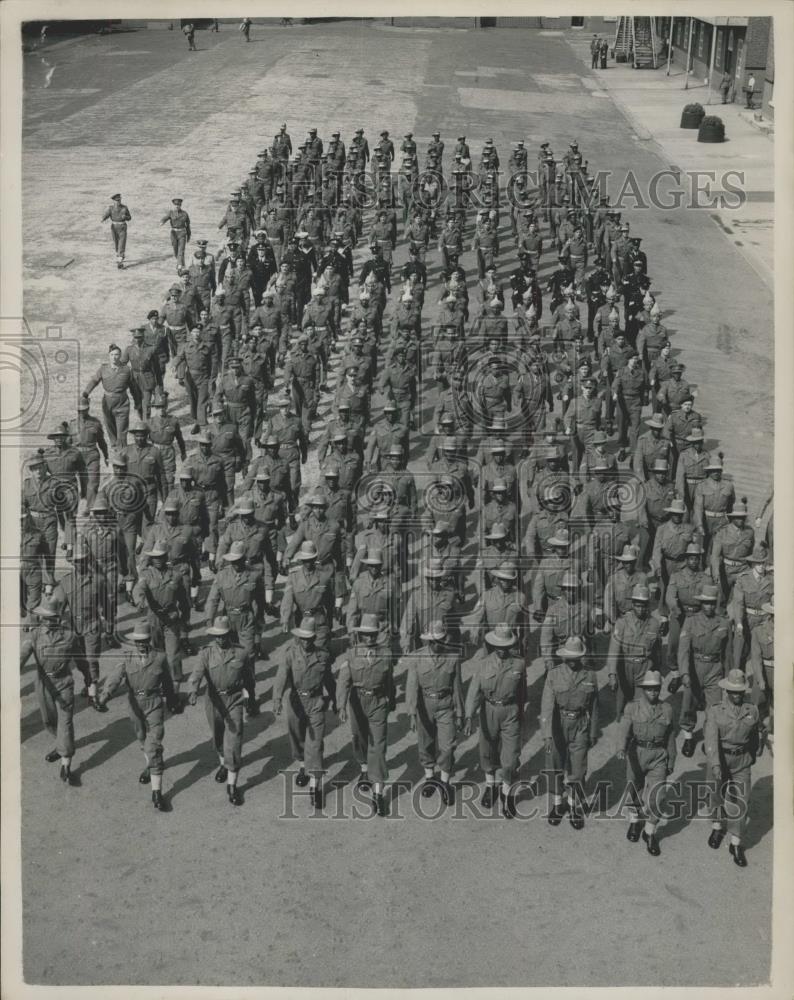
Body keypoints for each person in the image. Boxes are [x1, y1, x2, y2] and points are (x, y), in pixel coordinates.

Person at [97, 621, 178, 810]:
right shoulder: (127, 658)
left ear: (150, 640)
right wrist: (104, 696)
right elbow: (115, 678)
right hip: (134, 705)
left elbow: (167, 681)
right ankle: (150, 765)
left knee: (153, 744)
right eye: (138, 641)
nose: (141, 644)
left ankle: (157, 793)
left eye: (145, 641)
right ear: (134, 642)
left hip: (154, 703)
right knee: (142, 738)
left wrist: (173, 701)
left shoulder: (159, 657)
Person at [187, 616, 254, 806]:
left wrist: (251, 697)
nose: (220, 639)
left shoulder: (241, 653)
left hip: (235, 699)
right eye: (217, 636)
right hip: (214, 700)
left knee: (234, 739)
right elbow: (196, 674)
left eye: (223, 636)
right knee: (218, 737)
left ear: (229, 635)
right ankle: (223, 762)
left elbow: (248, 677)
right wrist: (193, 691)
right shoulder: (206, 653)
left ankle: (232, 785)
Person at [464, 624, 527, 819]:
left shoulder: (519, 664)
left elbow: (522, 691)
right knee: (487, 752)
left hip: (510, 712)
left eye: (506, 645)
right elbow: (475, 690)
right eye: (498, 645)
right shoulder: (483, 663)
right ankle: (491, 787)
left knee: (509, 759)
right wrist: (469, 716)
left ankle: (507, 795)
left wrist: (521, 712)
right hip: (489, 709)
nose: (502, 649)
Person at [272, 615, 335, 809]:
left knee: (315, 744)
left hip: (316, 702)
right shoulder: (290, 653)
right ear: (298, 637)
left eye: (310, 638)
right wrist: (277, 698)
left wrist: (335, 700)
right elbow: (282, 675)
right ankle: (301, 765)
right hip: (296, 701)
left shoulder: (323, 656)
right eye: (303, 638)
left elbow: (329, 680)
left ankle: (315, 787)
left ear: (314, 638)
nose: (306, 641)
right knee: (297, 735)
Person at [336, 614, 396, 817]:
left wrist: (392, 699)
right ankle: (363, 768)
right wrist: (341, 705)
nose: (369, 638)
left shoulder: (386, 654)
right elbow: (344, 680)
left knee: (378, 745)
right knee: (359, 737)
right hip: (357, 701)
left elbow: (389, 680)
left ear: (377, 634)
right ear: (360, 635)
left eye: (373, 634)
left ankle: (378, 793)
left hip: (378, 702)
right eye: (366, 635)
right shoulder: (352, 654)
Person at [704, 669, 762, 867]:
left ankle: (736, 842)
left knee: (741, 800)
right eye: (733, 691)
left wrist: (751, 757)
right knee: (716, 795)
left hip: (741, 761)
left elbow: (754, 737)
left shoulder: (751, 710)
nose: (737, 695)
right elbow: (711, 739)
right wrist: (715, 764)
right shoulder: (715, 711)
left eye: (740, 691)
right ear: (727, 691)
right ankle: (718, 826)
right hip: (720, 758)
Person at [540, 635, 599, 828]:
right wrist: (547, 734)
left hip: (580, 725)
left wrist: (592, 732)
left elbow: (595, 706)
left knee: (578, 767)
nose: (573, 661)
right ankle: (558, 805)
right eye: (569, 657)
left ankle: (574, 806)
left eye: (576, 657)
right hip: (558, 724)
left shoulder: (590, 675)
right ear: (564, 657)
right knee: (554, 765)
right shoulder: (554, 674)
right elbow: (547, 706)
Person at [616, 670, 677, 856]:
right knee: (635, 788)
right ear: (643, 690)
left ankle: (650, 831)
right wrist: (621, 748)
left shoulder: (666, 709)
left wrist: (671, 759)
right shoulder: (632, 707)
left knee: (657, 795)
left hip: (658, 755)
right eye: (649, 689)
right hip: (637, 753)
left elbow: (671, 737)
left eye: (656, 689)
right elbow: (624, 729)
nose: (653, 693)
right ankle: (635, 821)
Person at [404, 620, 464, 806]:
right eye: (434, 641)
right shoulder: (417, 658)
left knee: (448, 745)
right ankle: (430, 777)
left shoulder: (453, 658)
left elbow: (457, 687)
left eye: (441, 640)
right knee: (426, 742)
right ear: (428, 642)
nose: (438, 644)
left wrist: (460, 713)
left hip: (446, 705)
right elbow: (412, 686)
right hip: (425, 705)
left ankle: (445, 781)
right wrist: (412, 713)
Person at [19, 597, 77, 784]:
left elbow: (83, 658)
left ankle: (66, 764)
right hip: (43, 684)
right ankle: (59, 745)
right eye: (45, 618)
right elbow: (23, 654)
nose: (48, 621)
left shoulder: (69, 635)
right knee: (49, 720)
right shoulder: (35, 635)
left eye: (52, 618)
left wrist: (90, 677)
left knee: (65, 723)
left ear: (58, 618)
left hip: (64, 684)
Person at [672, 583, 730, 757]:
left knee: (714, 708)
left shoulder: (724, 623)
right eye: (706, 603)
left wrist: (728, 678)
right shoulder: (690, 621)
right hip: (694, 668)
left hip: (715, 670)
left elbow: (728, 654)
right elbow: (683, 650)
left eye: (712, 603)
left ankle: (709, 740)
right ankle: (688, 737)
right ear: (701, 603)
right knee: (688, 705)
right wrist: (684, 673)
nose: (709, 606)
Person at [160, 198, 191, 272]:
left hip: (182, 233)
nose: (177, 206)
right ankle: (181, 263)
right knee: (175, 250)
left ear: (181, 205)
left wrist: (189, 235)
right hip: (174, 233)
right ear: (173, 205)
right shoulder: (171, 213)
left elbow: (188, 225)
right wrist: (162, 222)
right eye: (176, 205)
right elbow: (165, 218)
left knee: (181, 250)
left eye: (179, 205)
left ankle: (180, 265)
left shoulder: (185, 214)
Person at [101, 193, 131, 269]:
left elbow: (130, 218)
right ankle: (120, 255)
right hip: (114, 227)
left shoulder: (124, 208)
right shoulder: (110, 208)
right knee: (116, 243)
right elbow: (106, 215)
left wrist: (126, 217)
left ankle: (120, 261)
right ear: (113, 201)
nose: (118, 202)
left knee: (122, 242)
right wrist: (103, 218)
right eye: (117, 200)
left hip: (122, 227)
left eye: (119, 200)